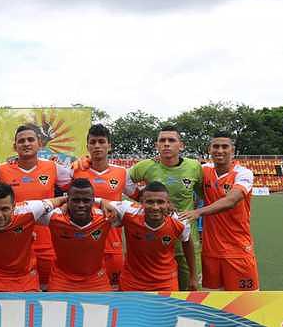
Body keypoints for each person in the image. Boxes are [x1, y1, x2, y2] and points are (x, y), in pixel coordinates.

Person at [0, 124, 72, 289]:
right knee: (18, 293)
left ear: (39, 143)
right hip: (14, 244)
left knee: (46, 290)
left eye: (31, 140)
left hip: (48, 243)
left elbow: (77, 186)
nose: (26, 144)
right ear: (14, 146)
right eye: (21, 141)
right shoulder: (0, 171)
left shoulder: (53, 168)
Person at [128, 125, 202, 290]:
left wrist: (194, 212)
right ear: (156, 146)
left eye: (171, 140)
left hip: (186, 242)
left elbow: (203, 194)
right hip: (155, 243)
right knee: (158, 293)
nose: (166, 144)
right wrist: (141, 197)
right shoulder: (146, 166)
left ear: (181, 145)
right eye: (162, 140)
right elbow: (123, 180)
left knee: (190, 294)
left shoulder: (194, 167)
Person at [183, 132, 259, 291]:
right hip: (210, 252)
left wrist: (198, 212)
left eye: (225, 147)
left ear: (232, 150)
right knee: (214, 303)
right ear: (209, 149)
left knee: (246, 303)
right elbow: (180, 168)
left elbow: (231, 201)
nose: (220, 150)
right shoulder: (203, 171)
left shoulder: (243, 173)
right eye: (216, 146)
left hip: (237, 250)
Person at [70, 124, 137, 288]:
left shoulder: (122, 172)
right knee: (83, 291)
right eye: (93, 142)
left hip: (112, 244)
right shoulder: (75, 170)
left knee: (113, 294)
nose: (97, 146)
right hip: (82, 244)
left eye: (101, 141)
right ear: (87, 146)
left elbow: (140, 196)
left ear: (109, 145)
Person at [103, 181, 197, 292]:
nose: (155, 207)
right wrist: (101, 201)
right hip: (132, 282)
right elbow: (88, 200)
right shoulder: (128, 211)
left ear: (168, 203)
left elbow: (187, 243)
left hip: (166, 282)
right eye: (150, 202)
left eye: (160, 202)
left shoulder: (180, 222)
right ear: (141, 202)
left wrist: (193, 276)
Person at [39, 178, 113, 292]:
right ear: (68, 200)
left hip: (96, 279)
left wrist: (102, 201)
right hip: (62, 280)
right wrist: (60, 200)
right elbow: (28, 210)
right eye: (76, 200)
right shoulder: (54, 217)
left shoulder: (105, 216)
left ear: (93, 201)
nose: (81, 205)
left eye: (86, 200)